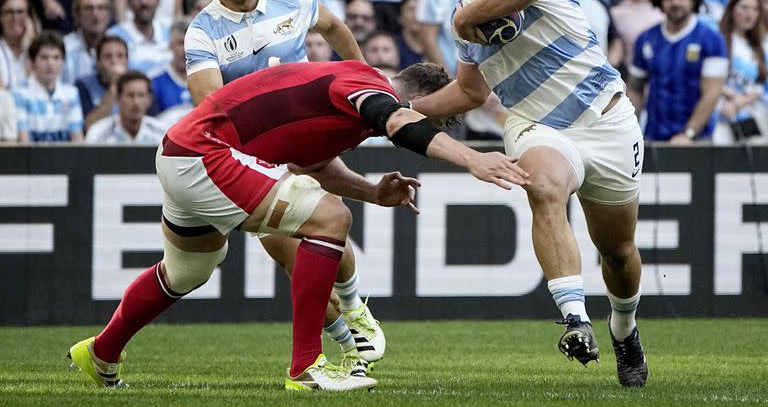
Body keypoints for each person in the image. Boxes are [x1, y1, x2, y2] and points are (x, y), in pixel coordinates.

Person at [66, 59, 530, 390]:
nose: (433, 124)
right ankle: (307, 367)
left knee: (187, 272)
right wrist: (472, 158)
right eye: (437, 116)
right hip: (205, 154)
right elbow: (397, 120)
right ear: (421, 97)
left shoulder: (351, 98)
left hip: (181, 152)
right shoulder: (369, 87)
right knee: (331, 218)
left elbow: (316, 165)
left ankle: (101, 352)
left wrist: (373, 192)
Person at [412, 0, 649, 387]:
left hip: (605, 119)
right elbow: (473, 92)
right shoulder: (468, 7)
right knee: (542, 186)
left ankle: (623, 326)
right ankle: (575, 318)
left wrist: (462, 20)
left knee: (619, 252)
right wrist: (409, 107)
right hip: (536, 124)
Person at [185, 0, 383, 372]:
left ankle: (355, 311)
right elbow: (209, 105)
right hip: (249, 157)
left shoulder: (292, 0)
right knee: (291, 252)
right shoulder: (202, 32)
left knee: (332, 222)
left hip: (304, 136)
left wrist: (362, 77)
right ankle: (348, 344)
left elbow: (333, 26)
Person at [628, 0, 728, 143]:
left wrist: (688, 133)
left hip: (698, 140)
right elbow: (635, 89)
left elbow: (712, 93)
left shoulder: (712, 39)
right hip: (653, 138)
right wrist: (629, 132)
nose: (675, 2)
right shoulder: (645, 39)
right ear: (660, 0)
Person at [712, 0, 768, 144]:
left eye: (755, 9)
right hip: (719, 115)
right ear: (731, 10)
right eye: (744, 8)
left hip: (750, 120)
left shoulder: (762, 47)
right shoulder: (717, 39)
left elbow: (762, 86)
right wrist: (731, 96)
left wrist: (739, 102)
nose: (749, 14)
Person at [13, 30, 84, 143]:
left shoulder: (71, 94)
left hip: (65, 159)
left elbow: (77, 140)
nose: (50, 63)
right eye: (44, 57)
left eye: (56, 57)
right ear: (32, 62)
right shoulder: (19, 94)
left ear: (63, 61)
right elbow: (23, 143)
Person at [106, 0, 172, 76]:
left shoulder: (171, 33)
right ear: (128, 2)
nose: (144, 1)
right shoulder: (113, 36)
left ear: (158, 1)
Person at [86, 70, 166, 144]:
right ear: (117, 98)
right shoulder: (98, 133)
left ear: (149, 99)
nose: (136, 102)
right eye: (130, 95)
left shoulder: (162, 134)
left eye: (141, 95)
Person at [75, 35, 129, 130]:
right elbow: (87, 127)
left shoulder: (138, 84)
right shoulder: (82, 86)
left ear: (127, 61)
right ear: (98, 62)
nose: (114, 61)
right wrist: (114, 85)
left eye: (120, 56)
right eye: (108, 57)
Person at [62, 0, 113, 84]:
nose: (95, 14)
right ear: (77, 14)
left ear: (109, 14)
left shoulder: (120, 47)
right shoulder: (65, 48)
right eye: (88, 8)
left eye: (101, 8)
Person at [0, 0, 36, 89]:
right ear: (1, 17)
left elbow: (38, 91)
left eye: (20, 12)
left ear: (29, 17)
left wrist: (29, 50)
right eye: (9, 12)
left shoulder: (39, 51)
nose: (15, 17)